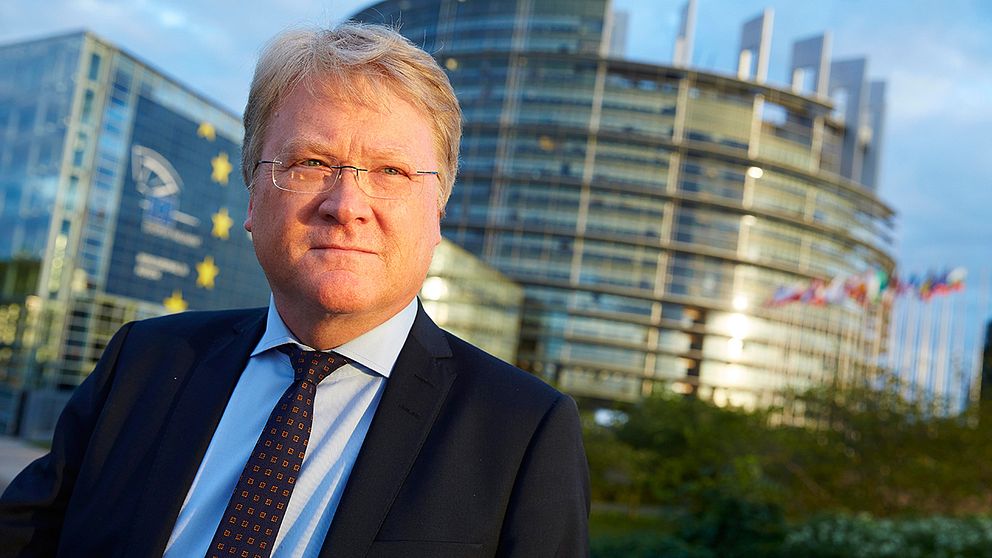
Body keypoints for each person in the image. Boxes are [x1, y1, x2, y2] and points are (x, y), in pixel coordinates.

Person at [0, 23, 589, 557]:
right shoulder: (143, 362)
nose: (346, 205)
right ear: (253, 196)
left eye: (391, 171)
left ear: (437, 212)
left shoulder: (523, 430)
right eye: (311, 163)